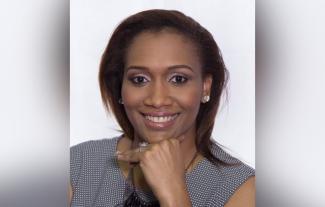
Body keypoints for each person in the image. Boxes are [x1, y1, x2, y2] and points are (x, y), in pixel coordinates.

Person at [70, 9, 255, 207]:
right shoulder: (79, 166)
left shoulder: (242, 190)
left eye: (178, 79)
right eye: (139, 79)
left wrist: (174, 195)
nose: (157, 100)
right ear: (120, 87)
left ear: (205, 87)